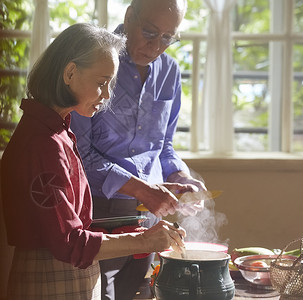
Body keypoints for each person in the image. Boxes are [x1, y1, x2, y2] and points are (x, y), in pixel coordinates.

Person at [1, 23, 188, 300]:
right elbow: (69, 242)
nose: (107, 95)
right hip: (51, 280)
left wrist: (138, 234)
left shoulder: (59, 131)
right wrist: (145, 240)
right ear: (70, 73)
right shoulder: (43, 143)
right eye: (102, 83)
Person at [70, 1, 208, 299]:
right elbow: (78, 154)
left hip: (150, 214)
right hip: (100, 210)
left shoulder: (169, 71)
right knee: (99, 294)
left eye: (168, 37)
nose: (156, 46)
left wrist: (180, 175)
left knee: (139, 293)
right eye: (149, 32)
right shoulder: (96, 61)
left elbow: (164, 146)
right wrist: (141, 189)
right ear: (129, 16)